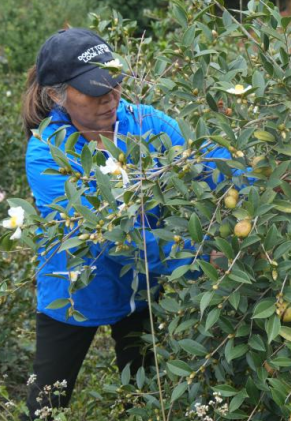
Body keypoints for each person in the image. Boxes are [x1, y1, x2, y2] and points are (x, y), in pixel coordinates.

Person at [19, 28, 228, 419]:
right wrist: (199, 258)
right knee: (45, 406)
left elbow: (207, 160)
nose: (110, 99)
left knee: (143, 397)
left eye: (114, 86)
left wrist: (260, 175)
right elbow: (110, 237)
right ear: (57, 95)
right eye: (95, 93)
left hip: (140, 288)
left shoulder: (144, 122)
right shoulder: (47, 154)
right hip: (74, 293)